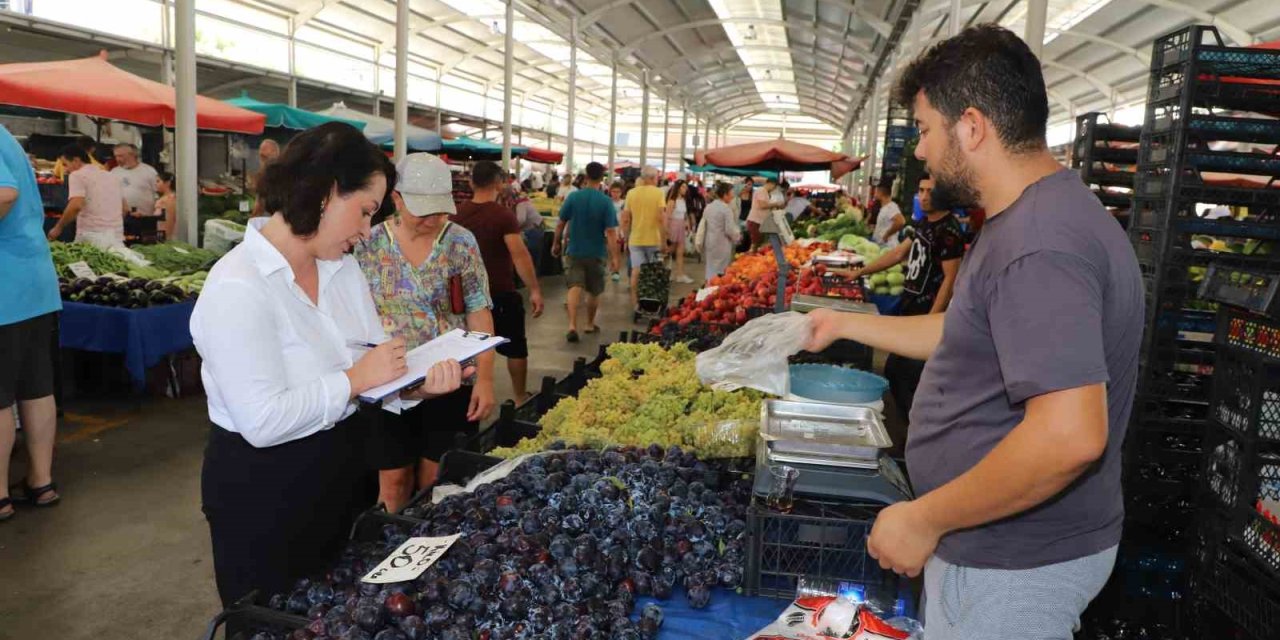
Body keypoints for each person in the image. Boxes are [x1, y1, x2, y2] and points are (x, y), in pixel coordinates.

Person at [805, 25, 1141, 638]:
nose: (920, 153)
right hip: (992, 551)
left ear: (971, 127)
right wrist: (842, 323)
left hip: (1014, 568)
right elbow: (965, 333)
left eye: (925, 130)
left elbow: (1070, 436)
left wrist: (925, 518)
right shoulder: (1023, 219)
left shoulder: (1040, 245)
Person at [191, 123, 469, 606]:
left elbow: (369, 365)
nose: (366, 231)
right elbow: (262, 419)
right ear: (323, 193)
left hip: (343, 470)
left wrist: (416, 386)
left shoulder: (340, 268)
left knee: (340, 610)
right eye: (364, 211)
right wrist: (355, 379)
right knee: (273, 619)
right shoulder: (238, 286)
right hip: (266, 491)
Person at [357, 153, 497, 509]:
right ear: (397, 199)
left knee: (438, 480)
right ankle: (391, 536)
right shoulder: (368, 243)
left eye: (440, 210)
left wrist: (484, 379)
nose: (434, 220)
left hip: (451, 378)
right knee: (393, 479)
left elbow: (478, 310)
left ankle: (428, 537)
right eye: (424, 212)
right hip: (388, 382)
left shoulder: (461, 242)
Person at [841, 175, 966, 414]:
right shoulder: (922, 223)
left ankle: (916, 427)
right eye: (921, 190)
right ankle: (910, 422)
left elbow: (950, 278)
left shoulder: (949, 231)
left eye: (930, 191)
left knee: (911, 377)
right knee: (895, 371)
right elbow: (897, 254)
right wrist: (859, 272)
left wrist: (932, 319)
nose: (924, 196)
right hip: (910, 310)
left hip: (926, 312)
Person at [0, 124, 63, 522]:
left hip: (5, 285)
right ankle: (41, 482)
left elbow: (4, 193)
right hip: (34, 281)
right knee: (36, 386)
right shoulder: (5, 135)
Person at [452, 161, 545, 404]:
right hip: (500, 292)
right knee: (515, 347)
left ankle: (471, 394)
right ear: (499, 183)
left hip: (465, 296)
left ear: (471, 182)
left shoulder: (456, 214)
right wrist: (534, 290)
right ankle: (519, 396)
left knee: (469, 348)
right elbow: (519, 254)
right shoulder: (503, 216)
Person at [553, 161, 620, 342]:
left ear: (586, 176)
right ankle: (589, 324)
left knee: (574, 287)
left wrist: (556, 243)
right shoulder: (606, 202)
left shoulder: (574, 197)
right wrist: (615, 257)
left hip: (575, 250)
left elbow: (560, 223)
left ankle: (572, 325)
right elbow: (611, 232)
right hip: (596, 252)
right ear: (602, 178)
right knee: (593, 290)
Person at [47, 144, 125, 247]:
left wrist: (58, 228)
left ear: (76, 160)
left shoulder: (77, 175)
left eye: (65, 164)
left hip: (91, 237)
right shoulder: (112, 176)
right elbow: (125, 208)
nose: (65, 169)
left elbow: (76, 205)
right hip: (116, 237)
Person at [620, 165, 667, 313]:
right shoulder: (658, 193)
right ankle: (654, 303)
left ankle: (636, 304)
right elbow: (661, 218)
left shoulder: (631, 193)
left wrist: (626, 238)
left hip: (636, 239)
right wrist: (664, 241)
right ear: (652, 178)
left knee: (636, 271)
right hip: (654, 240)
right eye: (657, 177)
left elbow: (625, 219)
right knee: (655, 273)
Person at [699, 181, 741, 282]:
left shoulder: (709, 207)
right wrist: (738, 237)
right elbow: (729, 230)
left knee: (710, 269)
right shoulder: (726, 209)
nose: (733, 196)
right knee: (720, 272)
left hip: (709, 241)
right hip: (722, 244)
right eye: (731, 193)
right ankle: (714, 288)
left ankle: (707, 287)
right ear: (725, 195)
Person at [111, 143, 157, 217]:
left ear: (132, 155)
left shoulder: (149, 171)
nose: (117, 159)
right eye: (115, 156)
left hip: (144, 217)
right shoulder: (114, 172)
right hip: (121, 218)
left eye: (120, 156)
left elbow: (158, 193)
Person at [663, 180, 694, 283]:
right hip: (673, 226)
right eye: (683, 187)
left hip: (681, 226)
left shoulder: (683, 200)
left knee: (680, 251)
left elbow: (684, 214)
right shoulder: (672, 201)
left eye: (686, 187)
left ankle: (680, 274)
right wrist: (666, 231)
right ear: (678, 188)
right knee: (670, 250)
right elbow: (667, 216)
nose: (685, 189)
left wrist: (687, 223)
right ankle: (666, 271)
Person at [745, 176, 785, 248]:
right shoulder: (761, 190)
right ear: (771, 184)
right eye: (775, 187)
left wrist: (774, 207)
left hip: (759, 222)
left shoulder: (765, 192)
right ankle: (751, 254)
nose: (774, 189)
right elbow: (762, 205)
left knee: (758, 244)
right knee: (755, 244)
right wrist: (776, 204)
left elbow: (765, 206)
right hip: (755, 221)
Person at [251, 140, 281, 218]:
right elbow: (258, 205)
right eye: (261, 157)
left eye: (264, 157)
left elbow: (259, 207)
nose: (262, 161)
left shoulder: (284, 175)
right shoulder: (261, 176)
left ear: (276, 153)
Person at [871, 182, 905, 248]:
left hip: (888, 246)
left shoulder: (891, 207)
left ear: (880, 193)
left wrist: (887, 234)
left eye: (876, 191)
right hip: (881, 245)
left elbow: (901, 221)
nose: (874, 194)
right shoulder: (885, 207)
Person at [154, 171, 178, 241]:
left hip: (167, 237)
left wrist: (166, 238)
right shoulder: (164, 199)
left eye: (158, 181)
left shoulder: (170, 199)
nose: (155, 184)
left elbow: (169, 220)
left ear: (167, 183)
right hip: (161, 234)